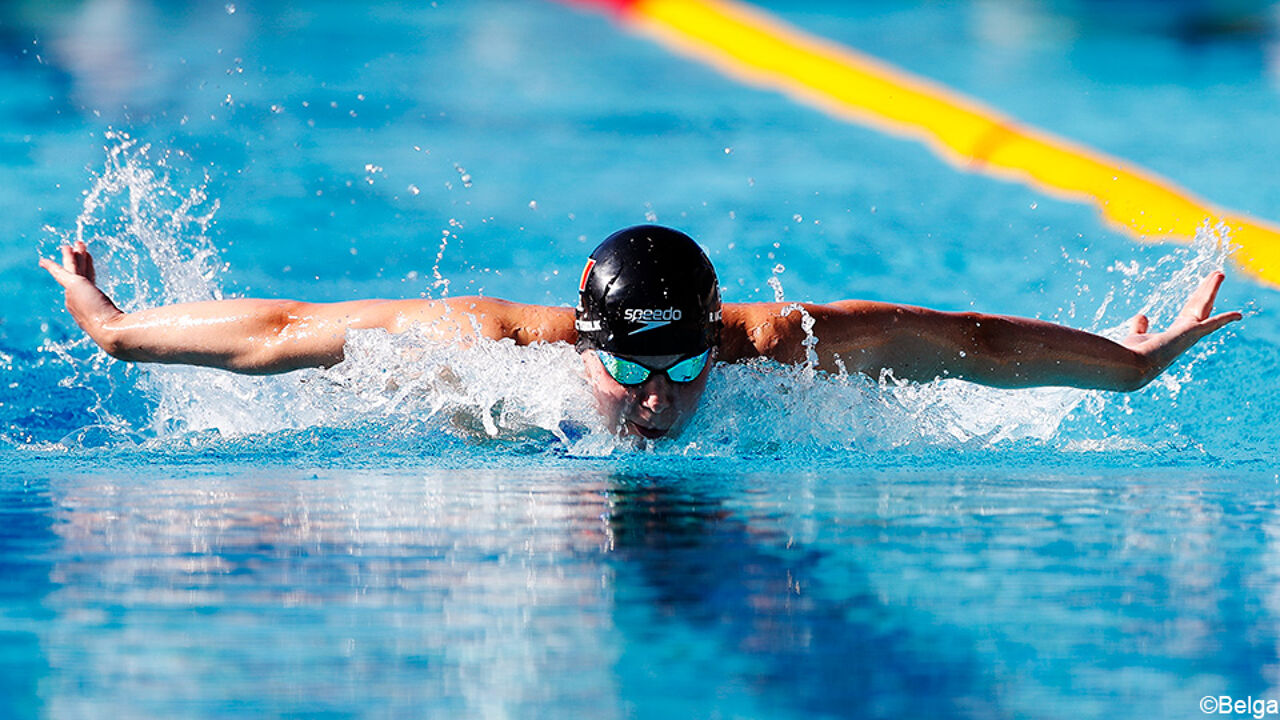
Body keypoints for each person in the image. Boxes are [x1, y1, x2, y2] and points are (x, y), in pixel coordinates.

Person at [41, 224, 1241, 439]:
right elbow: (286, 329)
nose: (658, 398)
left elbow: (972, 345)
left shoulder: (775, 348)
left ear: (712, 338)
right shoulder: (500, 349)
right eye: (630, 368)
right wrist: (113, 328)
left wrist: (1124, 372)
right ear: (585, 339)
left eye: (679, 367)